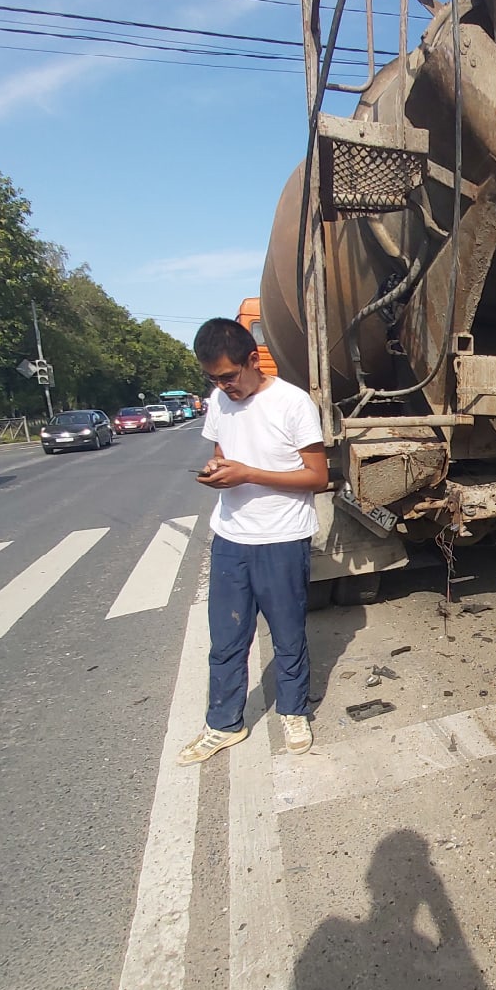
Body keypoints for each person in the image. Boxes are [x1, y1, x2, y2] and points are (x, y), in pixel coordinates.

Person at [177, 318, 328, 765]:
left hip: (282, 538)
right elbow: (223, 453)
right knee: (226, 639)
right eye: (213, 379)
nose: (223, 387)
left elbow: (317, 477)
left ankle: (294, 711)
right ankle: (223, 724)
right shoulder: (218, 403)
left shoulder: (293, 403)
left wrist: (249, 474)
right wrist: (219, 472)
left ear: (251, 360)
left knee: (287, 635)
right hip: (231, 537)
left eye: (228, 376)